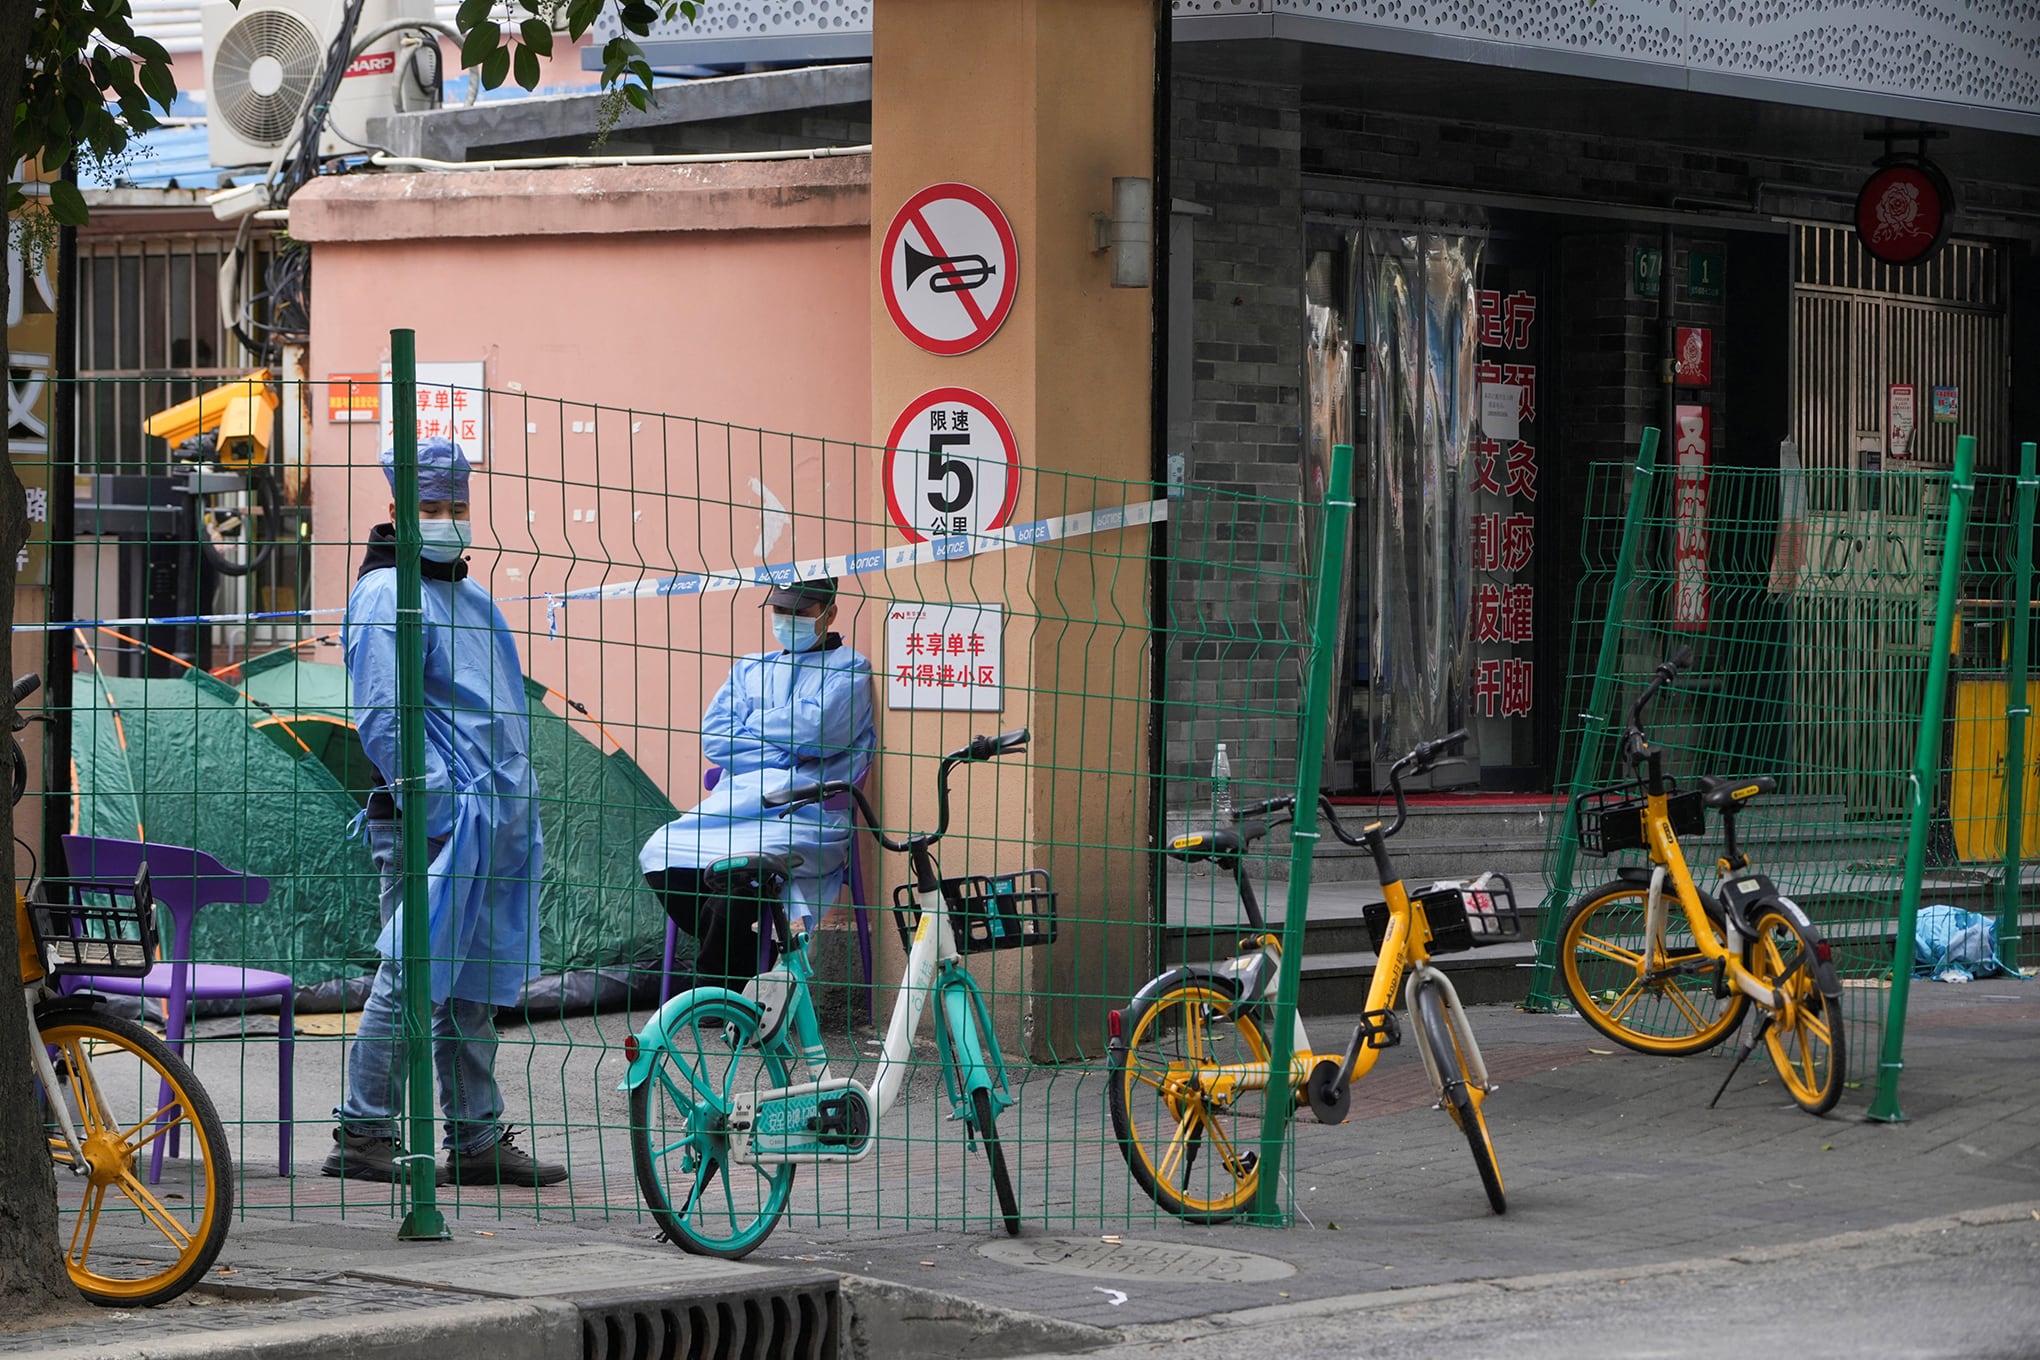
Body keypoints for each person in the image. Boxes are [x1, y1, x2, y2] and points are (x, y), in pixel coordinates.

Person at [324, 437, 564, 1187]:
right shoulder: (384, 594)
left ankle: (476, 1136)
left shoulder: (472, 597)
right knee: (412, 973)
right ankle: (363, 1132)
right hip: (431, 821)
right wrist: (437, 808)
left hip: (489, 821)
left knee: (473, 983)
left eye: (457, 505)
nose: (447, 518)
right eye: (430, 506)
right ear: (399, 508)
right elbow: (383, 714)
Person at [640, 576, 876, 992]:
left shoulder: (850, 669)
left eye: (798, 611)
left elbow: (821, 731)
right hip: (732, 808)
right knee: (662, 850)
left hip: (806, 811)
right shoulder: (750, 667)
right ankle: (741, 957)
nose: (786, 618)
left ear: (829, 614)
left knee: (744, 871)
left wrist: (753, 725)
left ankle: (718, 985)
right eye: (780, 610)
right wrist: (791, 753)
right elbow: (716, 737)